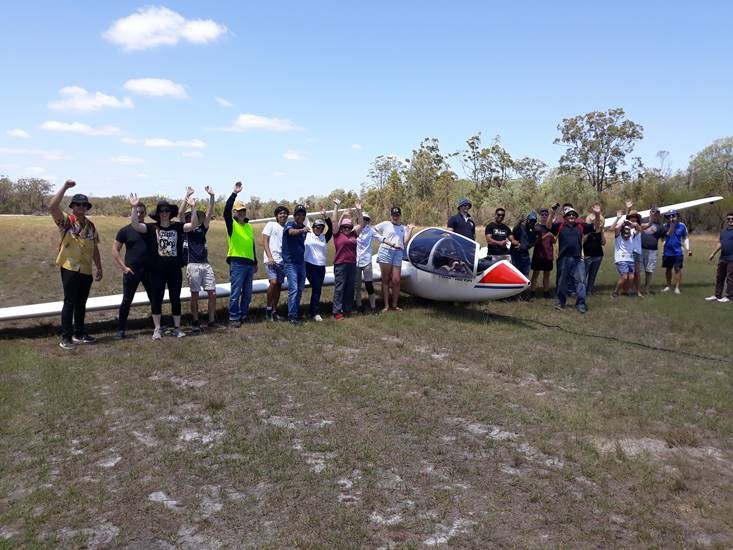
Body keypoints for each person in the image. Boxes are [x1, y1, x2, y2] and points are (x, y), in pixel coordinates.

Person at [129, 191, 195, 339]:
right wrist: (134, 208)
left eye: (166, 211)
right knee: (156, 297)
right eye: (161, 211)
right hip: (157, 270)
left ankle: (177, 328)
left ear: (170, 212)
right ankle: (157, 328)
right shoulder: (152, 228)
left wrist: (193, 208)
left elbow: (194, 224)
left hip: (174, 270)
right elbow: (135, 225)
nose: (164, 213)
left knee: (175, 298)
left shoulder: (178, 226)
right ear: (158, 214)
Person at [49, 180, 102, 349]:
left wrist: (99, 267)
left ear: (87, 207)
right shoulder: (66, 221)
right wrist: (64, 187)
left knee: (81, 303)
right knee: (69, 302)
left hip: (85, 269)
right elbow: (52, 207)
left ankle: (79, 333)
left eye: (84, 205)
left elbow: (94, 248)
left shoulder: (91, 226)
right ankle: (66, 338)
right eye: (77, 204)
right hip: (70, 267)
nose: (80, 207)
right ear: (72, 206)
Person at [112, 200, 154, 339]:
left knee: (154, 299)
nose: (139, 214)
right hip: (131, 271)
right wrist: (124, 268)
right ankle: (121, 329)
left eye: (142, 212)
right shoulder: (125, 231)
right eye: (136, 212)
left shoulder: (150, 229)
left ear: (145, 213)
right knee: (127, 300)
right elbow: (115, 250)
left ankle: (157, 326)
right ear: (132, 212)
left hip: (148, 271)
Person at [550, 206, 600, 313]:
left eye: (573, 215)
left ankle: (581, 304)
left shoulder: (581, 226)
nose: (571, 216)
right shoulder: (560, 226)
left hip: (577, 258)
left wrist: (597, 214)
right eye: (569, 215)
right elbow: (548, 226)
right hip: (563, 258)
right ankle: (560, 302)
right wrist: (552, 212)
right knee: (562, 282)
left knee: (581, 281)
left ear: (576, 217)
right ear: (565, 217)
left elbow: (596, 227)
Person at [182, 186, 217, 331]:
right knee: (194, 294)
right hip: (193, 265)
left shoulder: (202, 228)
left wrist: (212, 197)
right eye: (190, 216)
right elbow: (180, 214)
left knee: (212, 293)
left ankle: (211, 320)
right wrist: (188, 198)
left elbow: (209, 214)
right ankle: (195, 320)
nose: (192, 218)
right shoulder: (185, 229)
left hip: (205, 264)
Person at [222, 182, 257, 327]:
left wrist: (255, 261)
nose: (242, 213)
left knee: (248, 293)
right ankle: (233, 317)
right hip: (237, 262)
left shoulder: (248, 226)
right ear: (235, 212)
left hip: (249, 263)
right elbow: (226, 211)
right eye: (239, 211)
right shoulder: (232, 224)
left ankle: (243, 315)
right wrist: (234, 193)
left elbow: (252, 243)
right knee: (236, 292)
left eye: (243, 210)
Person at [374, 207, 414, 312]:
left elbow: (405, 241)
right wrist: (383, 240)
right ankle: (386, 306)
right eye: (393, 215)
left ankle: (395, 305)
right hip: (385, 252)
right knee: (386, 279)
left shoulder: (403, 227)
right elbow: (373, 231)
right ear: (390, 216)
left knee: (396, 280)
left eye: (397, 215)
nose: (395, 217)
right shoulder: (385, 224)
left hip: (398, 253)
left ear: (400, 216)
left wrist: (410, 230)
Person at [331, 201, 362, 319]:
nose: (347, 229)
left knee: (350, 288)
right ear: (341, 227)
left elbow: (361, 224)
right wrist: (336, 207)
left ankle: (347, 309)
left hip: (352, 264)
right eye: (344, 227)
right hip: (340, 264)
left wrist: (359, 210)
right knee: (340, 288)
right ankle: (337, 311)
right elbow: (334, 221)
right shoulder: (337, 235)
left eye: (349, 227)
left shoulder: (354, 234)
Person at [282, 204, 310, 324]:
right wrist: (302, 230)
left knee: (299, 289)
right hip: (290, 263)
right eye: (298, 214)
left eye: (303, 215)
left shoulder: (304, 227)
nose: (301, 216)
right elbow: (291, 233)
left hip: (301, 263)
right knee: (293, 289)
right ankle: (292, 315)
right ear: (294, 216)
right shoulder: (290, 225)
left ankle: (295, 312)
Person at [304, 209, 333, 322]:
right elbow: (304, 221)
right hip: (310, 266)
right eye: (317, 227)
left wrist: (326, 216)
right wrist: (306, 208)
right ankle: (315, 312)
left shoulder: (324, 237)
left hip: (321, 267)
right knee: (317, 288)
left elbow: (331, 228)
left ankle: (312, 311)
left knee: (317, 289)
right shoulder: (308, 235)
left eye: (321, 228)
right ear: (313, 227)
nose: (320, 230)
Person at [262, 205, 289, 321]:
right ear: (276, 216)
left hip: (282, 262)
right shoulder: (271, 225)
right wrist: (269, 257)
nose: (283, 215)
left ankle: (274, 311)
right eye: (280, 213)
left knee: (278, 286)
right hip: (271, 260)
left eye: (285, 213)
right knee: (273, 282)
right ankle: (268, 309)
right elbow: (264, 241)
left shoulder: (288, 228)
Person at [704, 212, 733, 303]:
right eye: (728, 219)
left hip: (732, 259)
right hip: (723, 258)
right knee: (719, 277)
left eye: (732, 219)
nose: (730, 220)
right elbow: (720, 244)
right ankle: (717, 295)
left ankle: (730, 297)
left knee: (730, 278)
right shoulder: (724, 232)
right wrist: (713, 254)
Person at [661, 210, 691, 294]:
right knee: (668, 269)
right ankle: (668, 286)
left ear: (677, 216)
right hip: (667, 251)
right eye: (669, 216)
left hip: (678, 251)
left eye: (673, 215)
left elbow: (685, 238)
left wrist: (688, 249)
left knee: (677, 268)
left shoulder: (682, 226)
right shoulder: (664, 226)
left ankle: (677, 288)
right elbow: (663, 238)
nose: (671, 217)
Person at [354, 208, 379, 313]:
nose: (364, 221)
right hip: (356, 262)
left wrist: (393, 244)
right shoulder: (354, 230)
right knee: (357, 285)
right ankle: (359, 305)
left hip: (367, 262)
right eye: (362, 219)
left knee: (369, 284)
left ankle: (373, 306)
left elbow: (381, 238)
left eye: (366, 219)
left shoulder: (371, 230)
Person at [530, 208, 555, 299]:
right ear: (540, 216)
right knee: (535, 274)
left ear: (548, 216)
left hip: (548, 255)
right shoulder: (536, 227)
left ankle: (546, 292)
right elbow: (534, 242)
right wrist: (546, 235)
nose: (544, 216)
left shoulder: (551, 227)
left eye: (546, 214)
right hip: (538, 255)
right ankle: (532, 292)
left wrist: (552, 236)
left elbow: (554, 241)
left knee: (547, 274)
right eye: (542, 214)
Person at [640, 207, 666, 293]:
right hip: (640, 249)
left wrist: (664, 248)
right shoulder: (643, 224)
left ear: (659, 215)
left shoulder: (661, 227)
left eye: (657, 213)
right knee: (638, 270)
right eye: (653, 213)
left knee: (649, 270)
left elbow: (664, 239)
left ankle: (646, 288)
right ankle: (637, 288)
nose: (655, 215)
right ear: (650, 214)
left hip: (652, 251)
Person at [583, 204, 606, 295]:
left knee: (593, 275)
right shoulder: (586, 230)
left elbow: (603, 243)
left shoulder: (601, 230)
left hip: (598, 255)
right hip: (587, 254)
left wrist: (602, 232)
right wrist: (588, 233)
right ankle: (581, 290)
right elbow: (582, 242)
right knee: (583, 274)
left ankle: (589, 290)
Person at [611, 219, 637, 298]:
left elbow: (638, 228)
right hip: (621, 259)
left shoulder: (632, 235)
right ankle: (615, 292)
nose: (627, 235)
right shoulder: (618, 236)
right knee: (625, 276)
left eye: (628, 233)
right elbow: (616, 228)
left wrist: (630, 223)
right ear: (622, 232)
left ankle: (624, 292)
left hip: (630, 259)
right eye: (625, 232)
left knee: (631, 277)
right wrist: (622, 221)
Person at [509, 212, 537, 279]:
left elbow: (533, 242)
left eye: (534, 221)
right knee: (515, 274)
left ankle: (523, 289)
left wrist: (527, 246)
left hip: (525, 255)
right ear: (527, 220)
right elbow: (511, 235)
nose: (532, 222)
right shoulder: (519, 227)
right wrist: (514, 241)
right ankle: (514, 288)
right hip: (515, 255)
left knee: (525, 275)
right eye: (531, 220)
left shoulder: (533, 230)